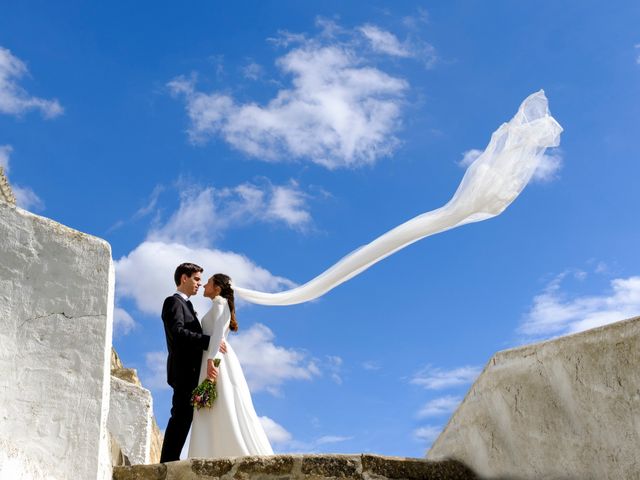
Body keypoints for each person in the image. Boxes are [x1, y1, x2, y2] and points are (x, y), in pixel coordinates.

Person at [188, 273, 273, 458]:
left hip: (215, 359)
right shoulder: (219, 303)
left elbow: (219, 332)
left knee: (219, 403)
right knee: (217, 403)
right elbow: (217, 336)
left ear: (217, 288)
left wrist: (212, 361)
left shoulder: (219, 302)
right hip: (213, 356)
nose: (204, 286)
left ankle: (213, 451)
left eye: (208, 283)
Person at [159, 263, 224, 463]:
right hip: (183, 371)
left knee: (185, 417)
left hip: (193, 371)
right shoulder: (173, 302)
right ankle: (167, 463)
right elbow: (178, 333)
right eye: (196, 279)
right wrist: (208, 341)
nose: (199, 284)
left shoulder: (187, 305)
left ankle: (170, 460)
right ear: (184, 278)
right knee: (180, 416)